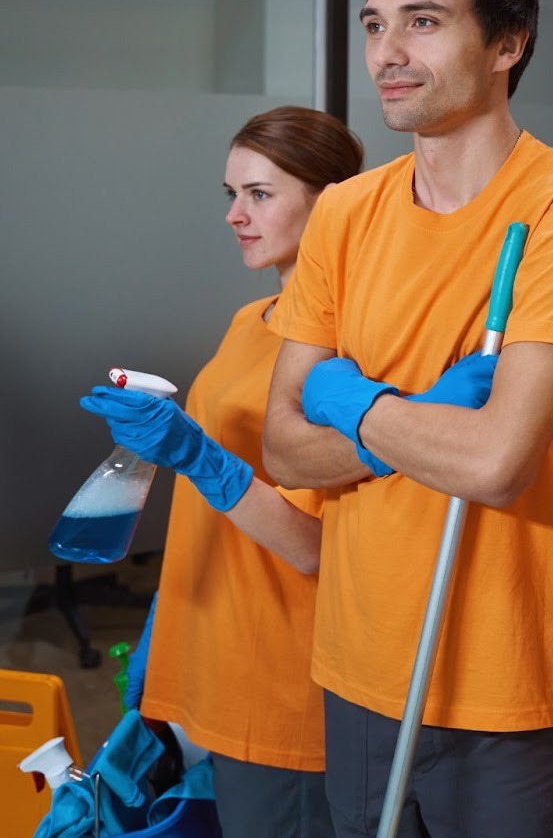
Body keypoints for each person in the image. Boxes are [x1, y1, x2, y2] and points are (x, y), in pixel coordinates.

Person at [260, 0, 553, 838]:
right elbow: (282, 447)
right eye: (376, 23)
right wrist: (410, 418)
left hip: (506, 689)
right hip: (357, 669)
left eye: (423, 22)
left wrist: (348, 405)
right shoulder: (344, 214)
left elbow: (497, 464)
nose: (388, 51)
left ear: (509, 43)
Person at [79, 106, 364, 838]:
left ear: (329, 201)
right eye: (230, 194)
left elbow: (316, 547)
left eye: (260, 194)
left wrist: (197, 454)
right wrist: (165, 624)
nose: (236, 215)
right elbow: (215, 494)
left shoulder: (351, 351)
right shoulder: (256, 319)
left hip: (284, 675)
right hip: (216, 649)